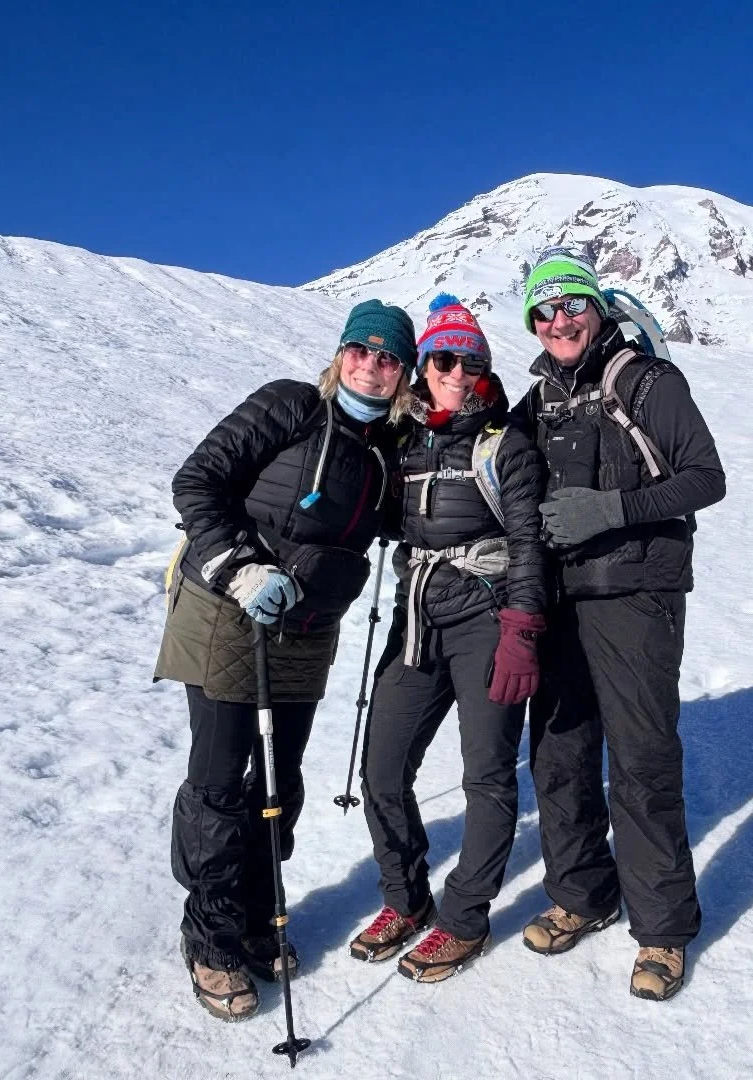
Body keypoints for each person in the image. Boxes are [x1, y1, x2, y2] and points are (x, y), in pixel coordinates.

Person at [154, 300, 415, 1022]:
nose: (371, 364)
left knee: (279, 777)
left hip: (307, 628)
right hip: (227, 611)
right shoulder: (291, 406)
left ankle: (259, 913)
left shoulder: (388, 451)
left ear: (403, 374)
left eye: (388, 357)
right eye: (360, 349)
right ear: (340, 355)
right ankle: (210, 938)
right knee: (219, 779)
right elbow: (197, 481)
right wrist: (240, 567)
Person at [509, 248, 726, 1001]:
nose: (559, 320)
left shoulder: (645, 380)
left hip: (638, 595)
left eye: (571, 304)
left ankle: (662, 931)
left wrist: (611, 510)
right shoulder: (537, 400)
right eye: (545, 310)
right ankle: (582, 893)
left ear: (597, 308)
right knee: (560, 758)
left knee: (640, 761)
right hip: (564, 600)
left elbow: (707, 476)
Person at [351, 294, 548, 983]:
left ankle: (464, 918)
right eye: (442, 358)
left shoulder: (505, 443)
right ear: (422, 367)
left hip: (488, 619)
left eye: (470, 359)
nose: (456, 371)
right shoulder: (402, 441)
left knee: (487, 775)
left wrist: (522, 629)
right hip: (418, 616)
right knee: (382, 769)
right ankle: (405, 899)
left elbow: (529, 541)